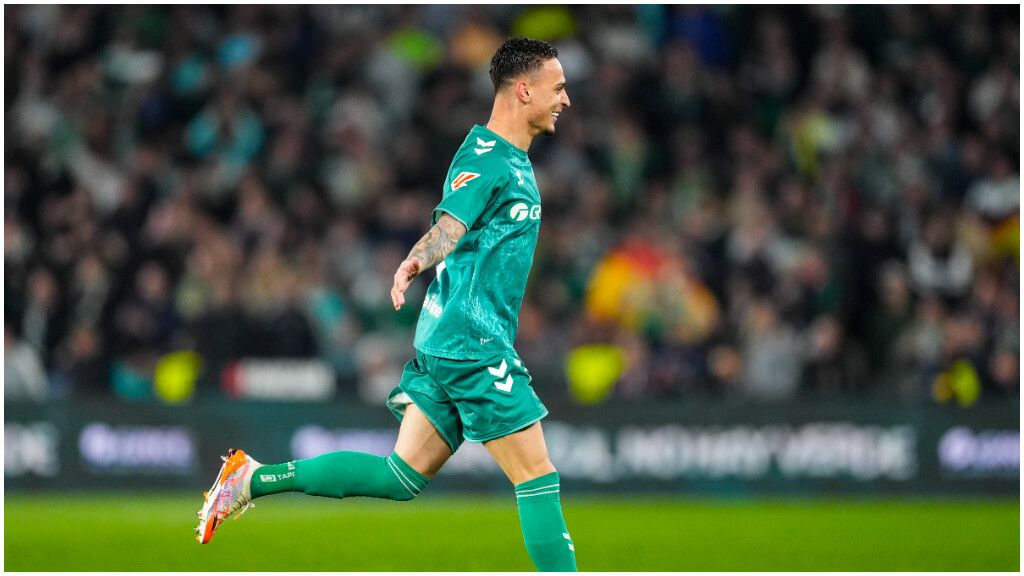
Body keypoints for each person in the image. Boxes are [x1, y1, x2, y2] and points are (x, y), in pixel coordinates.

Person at [195, 37, 576, 572]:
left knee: (399, 476)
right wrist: (415, 261)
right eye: (558, 88)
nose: (566, 99)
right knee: (537, 477)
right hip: (473, 343)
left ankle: (251, 478)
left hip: (451, 340)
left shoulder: (508, 158)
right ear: (524, 90)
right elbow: (448, 226)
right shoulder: (487, 157)